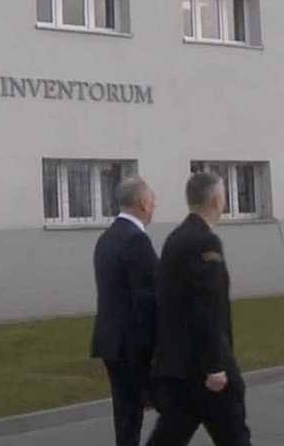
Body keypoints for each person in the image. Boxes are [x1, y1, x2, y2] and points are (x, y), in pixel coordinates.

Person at [147, 172, 251, 446]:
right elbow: (207, 307)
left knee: (168, 437)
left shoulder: (175, 238)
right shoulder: (204, 241)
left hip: (179, 366)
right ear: (217, 200)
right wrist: (215, 365)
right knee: (235, 437)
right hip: (205, 371)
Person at [91, 177, 159, 446]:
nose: (154, 206)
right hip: (134, 344)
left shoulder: (106, 238)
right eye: (152, 201)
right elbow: (149, 299)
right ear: (142, 203)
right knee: (174, 409)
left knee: (126, 415)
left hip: (110, 340)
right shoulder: (136, 240)